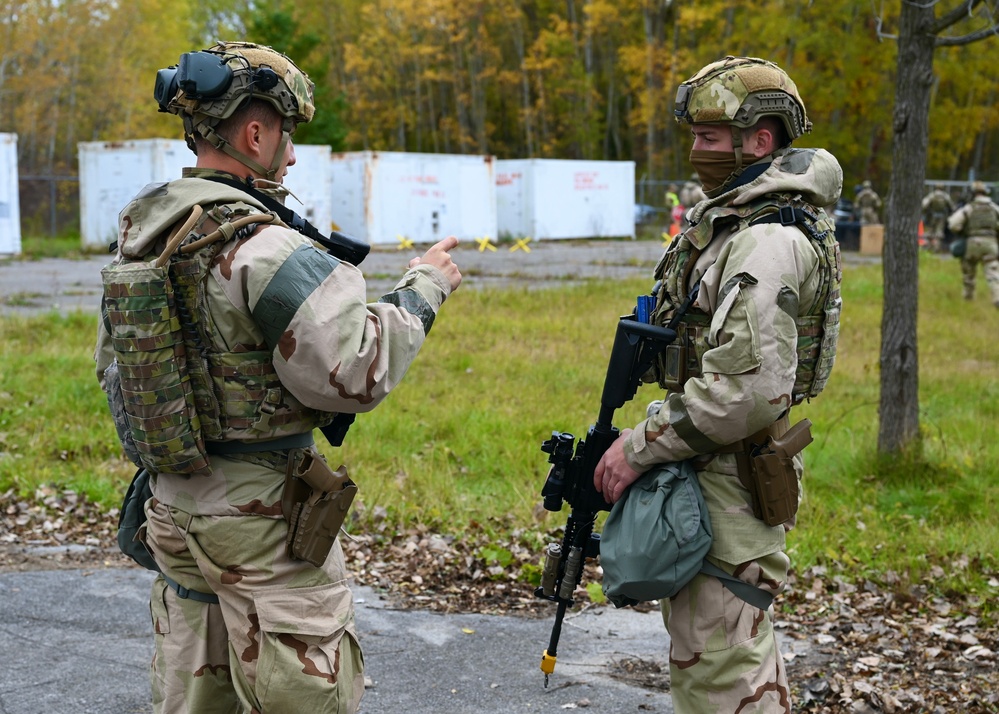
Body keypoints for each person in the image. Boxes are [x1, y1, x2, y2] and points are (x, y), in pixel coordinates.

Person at [94, 41, 461, 713]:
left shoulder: (146, 234)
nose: (290, 155)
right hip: (258, 520)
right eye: (286, 135)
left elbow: (116, 367)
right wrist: (424, 288)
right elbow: (353, 372)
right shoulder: (262, 245)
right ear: (255, 132)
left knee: (195, 697)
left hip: (173, 506)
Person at [593, 56, 842, 712]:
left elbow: (749, 389)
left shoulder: (766, 242)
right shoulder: (738, 224)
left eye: (709, 137)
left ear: (758, 139)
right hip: (714, 471)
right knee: (735, 668)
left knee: (720, 671)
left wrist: (639, 446)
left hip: (727, 485)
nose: (695, 150)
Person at [946, 180, 999, 307]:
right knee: (993, 273)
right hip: (991, 244)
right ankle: (997, 298)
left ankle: (968, 300)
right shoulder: (994, 208)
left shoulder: (969, 208)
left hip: (972, 243)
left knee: (969, 274)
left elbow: (953, 224)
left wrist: (962, 231)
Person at [922, 183, 955, 252]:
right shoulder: (945, 196)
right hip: (942, 216)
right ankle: (937, 247)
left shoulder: (932, 195)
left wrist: (925, 212)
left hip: (931, 216)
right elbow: (952, 207)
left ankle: (928, 247)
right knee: (939, 232)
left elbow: (924, 205)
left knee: (930, 231)